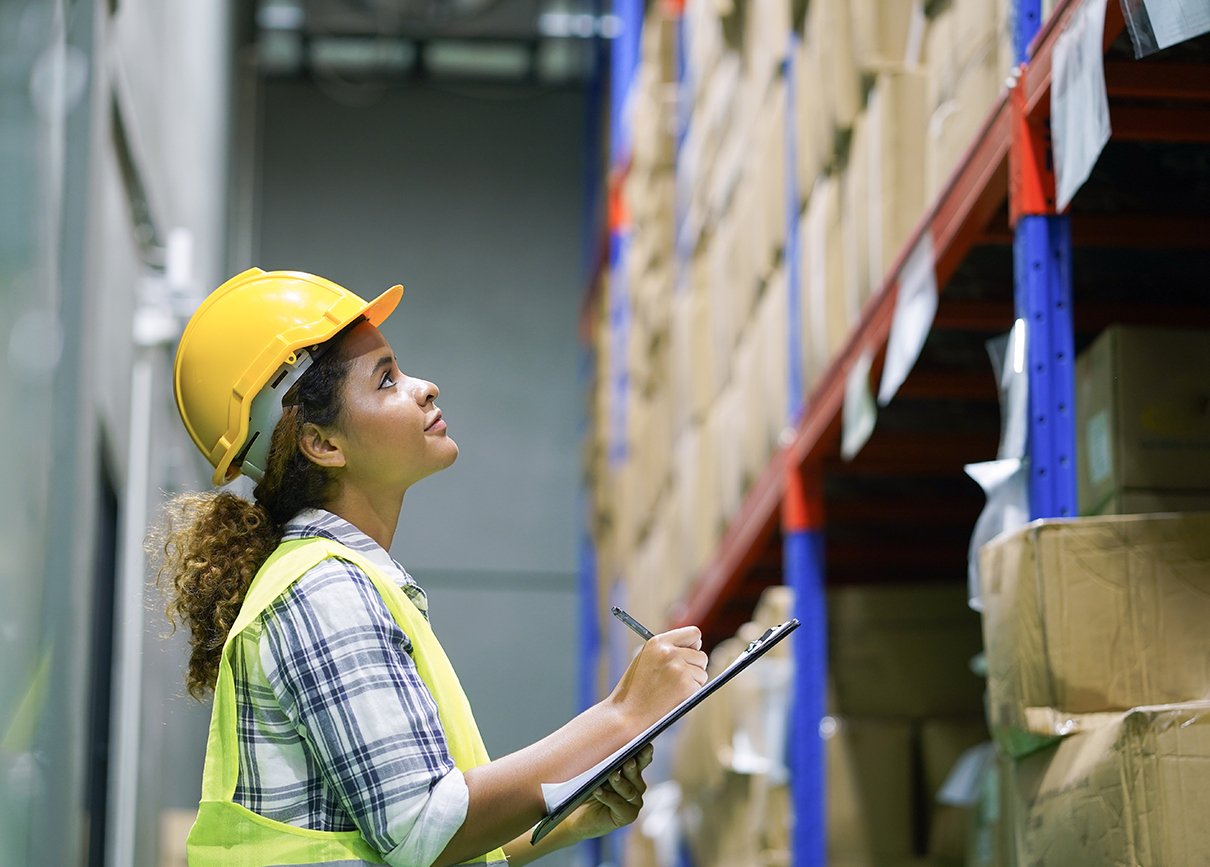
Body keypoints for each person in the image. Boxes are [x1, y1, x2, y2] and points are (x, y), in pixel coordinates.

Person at [155, 268, 708, 866]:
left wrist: (566, 815)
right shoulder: (324, 589)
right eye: (386, 380)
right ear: (322, 444)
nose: (425, 387)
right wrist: (622, 716)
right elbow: (425, 828)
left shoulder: (342, 581)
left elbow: (408, 840)